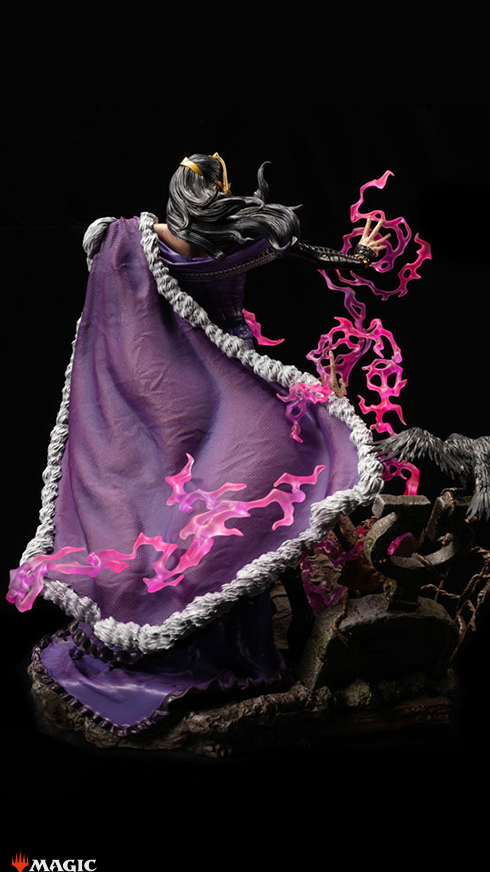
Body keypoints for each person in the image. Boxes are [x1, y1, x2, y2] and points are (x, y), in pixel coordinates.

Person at [9, 153, 389, 735]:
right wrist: (357, 255)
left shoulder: (121, 239)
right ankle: (210, 639)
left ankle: (186, 614)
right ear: (217, 191)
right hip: (218, 382)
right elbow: (300, 252)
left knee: (180, 503)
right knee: (264, 473)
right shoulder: (229, 245)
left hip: (162, 388)